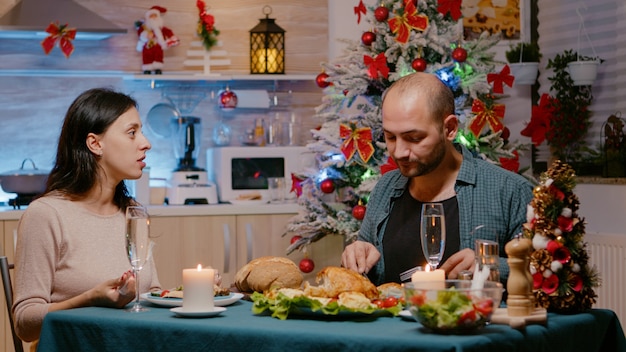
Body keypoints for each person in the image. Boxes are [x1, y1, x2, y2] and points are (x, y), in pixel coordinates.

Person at [341, 72, 534, 286]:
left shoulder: (509, 191)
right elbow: (366, 281)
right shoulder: (385, 189)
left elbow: (549, 274)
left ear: (449, 129)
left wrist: (492, 267)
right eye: (390, 137)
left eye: (414, 138)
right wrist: (359, 259)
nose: (399, 152)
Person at [12, 88, 161, 343]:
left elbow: (152, 293)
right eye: (132, 132)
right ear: (95, 143)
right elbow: (25, 324)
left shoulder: (132, 212)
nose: (146, 143)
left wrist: (191, 293)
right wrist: (90, 299)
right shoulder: (46, 215)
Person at [136, 5, 180, 74]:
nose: (153, 18)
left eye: (155, 16)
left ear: (158, 17)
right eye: (151, 16)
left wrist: (172, 37)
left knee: (158, 55)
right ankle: (147, 69)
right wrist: (146, 35)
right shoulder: (145, 28)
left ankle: (158, 68)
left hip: (158, 45)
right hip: (148, 45)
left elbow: (168, 32)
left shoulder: (161, 28)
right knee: (147, 55)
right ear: (148, 18)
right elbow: (139, 33)